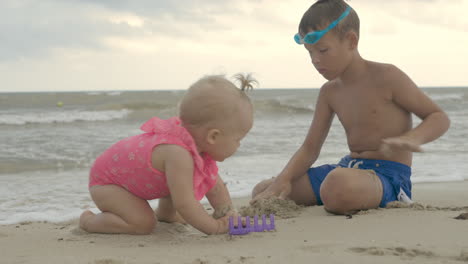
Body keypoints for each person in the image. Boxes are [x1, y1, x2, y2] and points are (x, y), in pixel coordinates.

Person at [251, 0, 450, 215]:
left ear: (351, 40)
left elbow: (438, 117)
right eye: (310, 53)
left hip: (388, 177)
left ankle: (340, 193)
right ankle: (328, 192)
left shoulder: (387, 77)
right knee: (262, 190)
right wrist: (283, 180)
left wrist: (412, 138)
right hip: (349, 169)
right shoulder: (329, 92)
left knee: (337, 184)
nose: (315, 60)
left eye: (323, 50)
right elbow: (310, 148)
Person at [80, 75, 254, 235]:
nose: (239, 145)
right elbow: (185, 204)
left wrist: (228, 213)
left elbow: (214, 185)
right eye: (238, 139)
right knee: (143, 224)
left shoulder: (196, 148)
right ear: (213, 136)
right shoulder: (177, 153)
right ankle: (89, 221)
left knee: (181, 180)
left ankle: (166, 214)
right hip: (109, 184)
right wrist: (215, 227)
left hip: (128, 179)